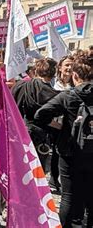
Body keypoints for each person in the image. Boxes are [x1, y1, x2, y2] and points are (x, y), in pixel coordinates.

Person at [34, 54, 93, 227]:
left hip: (70, 151)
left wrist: (60, 127)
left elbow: (40, 115)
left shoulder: (68, 96)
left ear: (75, 76)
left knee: (68, 195)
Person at [11, 58, 59, 171]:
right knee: (36, 169)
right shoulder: (51, 93)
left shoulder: (19, 85)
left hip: (18, 131)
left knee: (19, 167)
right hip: (39, 135)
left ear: (36, 70)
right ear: (54, 74)